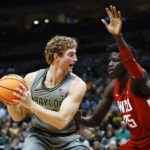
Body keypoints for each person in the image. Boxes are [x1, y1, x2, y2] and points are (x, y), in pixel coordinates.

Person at [80, 5, 150, 150]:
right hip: (137, 142)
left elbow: (131, 63)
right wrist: (73, 117)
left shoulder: (139, 78)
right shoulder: (112, 87)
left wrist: (118, 36)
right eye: (109, 61)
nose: (110, 64)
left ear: (125, 62)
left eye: (115, 60)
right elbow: (95, 120)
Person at [7, 35, 88, 150]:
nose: (75, 59)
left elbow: (61, 122)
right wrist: (9, 100)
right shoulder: (31, 79)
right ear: (56, 56)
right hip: (37, 136)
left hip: (67, 138)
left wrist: (31, 104)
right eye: (71, 55)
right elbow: (17, 117)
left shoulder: (77, 85)